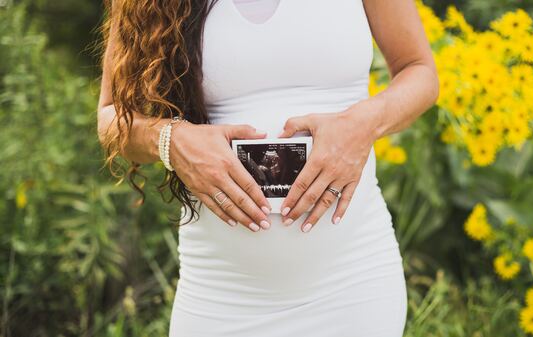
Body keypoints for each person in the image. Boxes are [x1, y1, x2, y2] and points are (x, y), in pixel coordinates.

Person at [97, 0, 438, 335]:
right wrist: (173, 139)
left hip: (352, 285)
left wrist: (363, 125)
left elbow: (419, 71)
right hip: (220, 295)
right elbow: (111, 118)